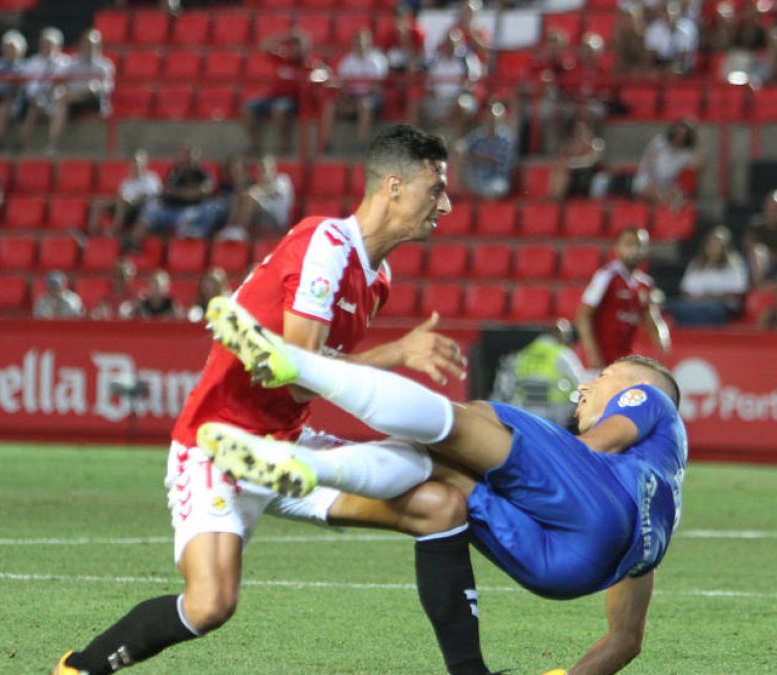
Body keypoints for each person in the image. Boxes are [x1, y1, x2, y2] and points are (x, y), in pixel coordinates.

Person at [54, 125, 498, 675]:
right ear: (393, 186)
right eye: (436, 189)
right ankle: (78, 668)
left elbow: (313, 381)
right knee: (209, 605)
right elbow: (296, 376)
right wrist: (396, 355)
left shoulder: (375, 278)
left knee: (440, 507)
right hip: (219, 444)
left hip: (287, 448)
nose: (447, 205)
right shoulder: (325, 246)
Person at [202, 297, 687, 674]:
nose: (584, 386)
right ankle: (287, 474)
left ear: (632, 390)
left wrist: (541, 450)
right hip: (563, 573)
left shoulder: (650, 400)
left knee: (474, 419)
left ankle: (299, 373)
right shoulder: (659, 505)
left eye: (602, 377)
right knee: (441, 478)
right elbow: (625, 641)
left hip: (595, 507)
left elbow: (595, 447)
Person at [576, 227, 671, 371]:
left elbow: (652, 318)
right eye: (628, 244)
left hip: (625, 359)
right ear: (617, 248)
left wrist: (663, 339)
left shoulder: (645, 284)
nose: (634, 250)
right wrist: (592, 353)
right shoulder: (606, 276)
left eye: (639, 245)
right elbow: (584, 315)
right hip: (602, 358)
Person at [241, 30, 327, 154]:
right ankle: (252, 145)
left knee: (279, 109)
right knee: (248, 107)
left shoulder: (311, 65)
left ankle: (282, 146)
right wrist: (284, 37)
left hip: (293, 101)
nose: (295, 48)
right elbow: (264, 46)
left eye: (299, 45)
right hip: (273, 97)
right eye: (293, 45)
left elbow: (324, 74)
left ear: (306, 48)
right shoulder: (283, 59)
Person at [490, 318, 587, 428]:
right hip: (555, 414)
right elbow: (581, 383)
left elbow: (507, 384)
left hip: (526, 411)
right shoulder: (562, 354)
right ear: (560, 334)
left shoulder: (525, 352)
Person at [131, 146, 227, 242]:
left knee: (193, 215)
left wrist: (178, 192)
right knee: (150, 210)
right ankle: (133, 243)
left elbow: (198, 192)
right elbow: (166, 191)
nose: (186, 161)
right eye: (184, 157)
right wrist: (179, 193)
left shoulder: (202, 174)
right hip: (169, 208)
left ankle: (180, 248)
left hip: (191, 210)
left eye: (189, 158)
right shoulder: (175, 172)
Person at [45, 28, 114, 154]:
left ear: (98, 45)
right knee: (62, 103)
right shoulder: (72, 64)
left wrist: (87, 90)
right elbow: (62, 84)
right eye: (87, 43)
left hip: (94, 101)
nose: (89, 46)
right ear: (82, 44)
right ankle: (52, 142)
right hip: (73, 101)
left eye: (93, 44)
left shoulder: (104, 65)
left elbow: (105, 88)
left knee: (92, 87)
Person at [321, 29, 388, 153]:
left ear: (369, 43)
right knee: (331, 106)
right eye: (356, 43)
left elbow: (376, 87)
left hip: (372, 98)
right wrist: (346, 99)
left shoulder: (378, 60)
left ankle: (361, 145)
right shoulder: (348, 61)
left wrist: (358, 99)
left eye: (361, 43)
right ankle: (327, 145)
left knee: (365, 105)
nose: (359, 46)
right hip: (352, 97)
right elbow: (344, 86)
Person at [16, 27, 72, 152]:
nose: (47, 47)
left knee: (60, 109)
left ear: (58, 46)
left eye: (50, 44)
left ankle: (52, 143)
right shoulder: (33, 62)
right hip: (35, 99)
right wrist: (36, 96)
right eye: (44, 44)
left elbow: (66, 85)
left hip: (56, 100)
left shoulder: (66, 63)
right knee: (33, 109)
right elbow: (26, 83)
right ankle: (21, 142)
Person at [454, 100, 518, 200]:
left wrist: (473, 157)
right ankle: (456, 193)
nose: (491, 122)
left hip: (496, 180)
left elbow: (497, 161)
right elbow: (462, 147)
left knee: (495, 190)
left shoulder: (507, 139)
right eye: (489, 119)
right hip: (477, 179)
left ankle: (490, 214)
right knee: (457, 155)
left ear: (501, 120)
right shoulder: (479, 135)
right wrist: (463, 150)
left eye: (494, 119)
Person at [630, 119, 700, 206]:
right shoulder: (659, 142)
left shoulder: (686, 155)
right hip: (648, 181)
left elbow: (697, 164)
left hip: (668, 186)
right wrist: (655, 185)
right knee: (660, 197)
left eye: (684, 134)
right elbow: (649, 164)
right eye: (678, 132)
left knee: (679, 198)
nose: (680, 136)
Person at [91, 149, 161, 235]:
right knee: (99, 203)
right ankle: (93, 232)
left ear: (144, 164)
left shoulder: (151, 178)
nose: (134, 165)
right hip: (124, 206)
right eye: (133, 163)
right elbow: (120, 195)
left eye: (137, 163)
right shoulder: (127, 181)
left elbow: (150, 196)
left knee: (122, 201)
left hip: (141, 209)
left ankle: (115, 229)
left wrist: (130, 200)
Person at [227, 154, 294, 238]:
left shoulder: (283, 180)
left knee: (250, 198)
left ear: (274, 169)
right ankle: (230, 229)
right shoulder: (260, 184)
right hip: (261, 217)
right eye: (261, 170)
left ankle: (239, 231)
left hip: (277, 221)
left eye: (266, 169)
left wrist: (258, 189)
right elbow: (250, 193)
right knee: (240, 197)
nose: (264, 172)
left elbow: (270, 190)